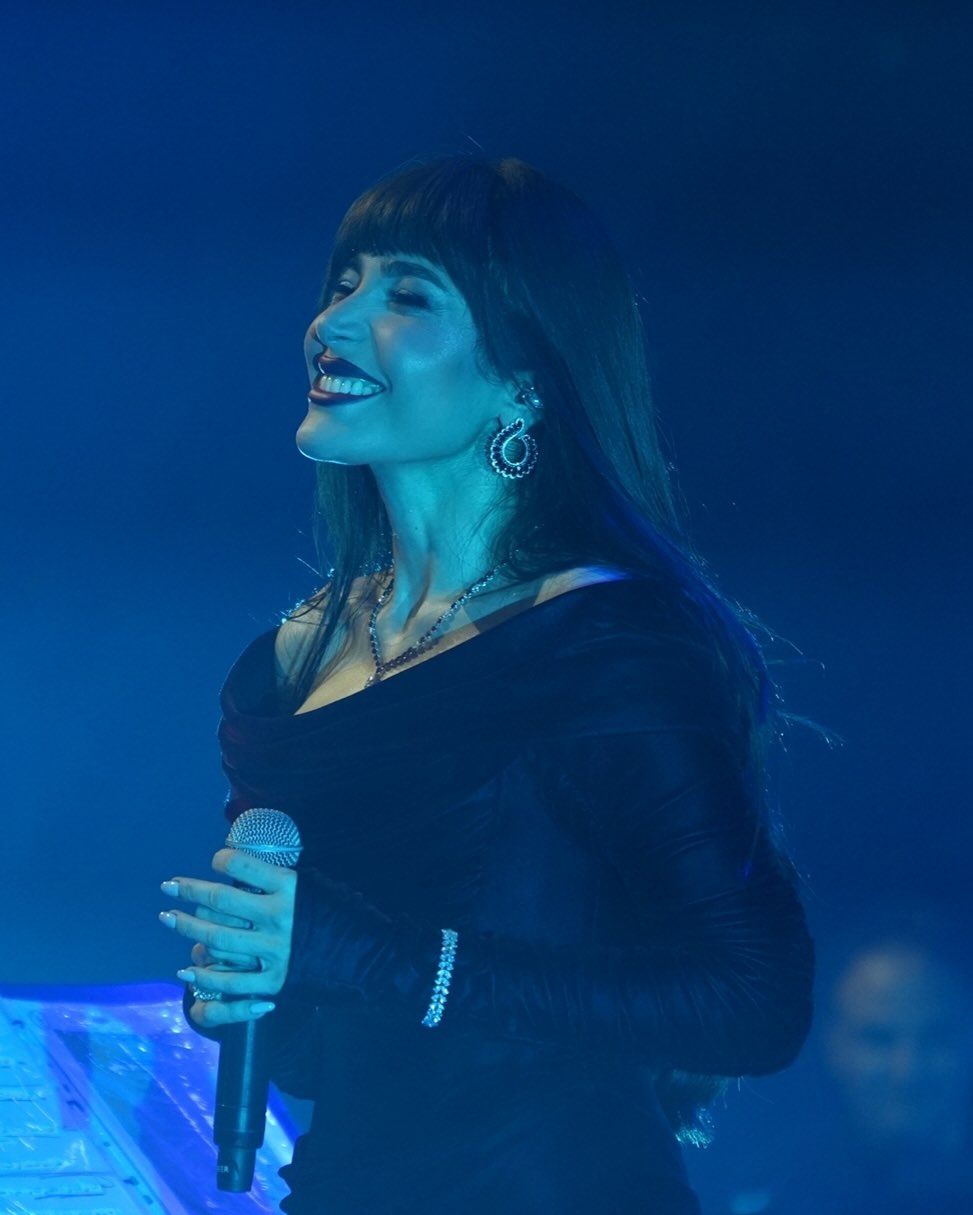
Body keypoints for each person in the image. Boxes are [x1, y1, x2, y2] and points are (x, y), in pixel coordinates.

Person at [157, 156, 815, 1214]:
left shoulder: (606, 642)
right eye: (342, 283)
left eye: (407, 294)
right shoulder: (289, 664)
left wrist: (374, 955)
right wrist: (261, 988)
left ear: (524, 379)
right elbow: (330, 1053)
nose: (332, 323)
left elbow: (751, 1000)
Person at [688, 904, 973, 1215]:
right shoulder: (767, 1192)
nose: (907, 1070)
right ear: (831, 1041)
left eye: (937, 1038)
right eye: (878, 1039)